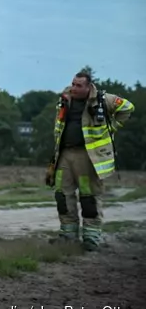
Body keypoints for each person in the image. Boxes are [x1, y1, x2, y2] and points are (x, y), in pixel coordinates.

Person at [47, 70, 135, 251]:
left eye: (78, 85)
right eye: (73, 84)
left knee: (89, 198)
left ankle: (91, 238)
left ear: (88, 87)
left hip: (87, 157)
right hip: (64, 154)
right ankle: (68, 235)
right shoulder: (65, 99)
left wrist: (112, 128)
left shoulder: (102, 99)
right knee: (63, 196)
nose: (74, 88)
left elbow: (127, 108)